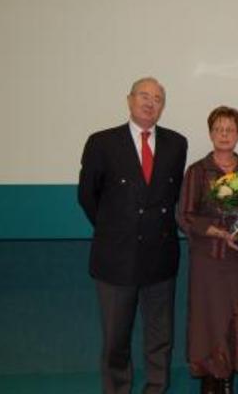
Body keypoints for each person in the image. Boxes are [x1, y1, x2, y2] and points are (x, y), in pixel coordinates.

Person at [78, 77, 188, 394]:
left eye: (157, 98)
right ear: (129, 100)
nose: (150, 102)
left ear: (162, 107)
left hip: (161, 257)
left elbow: (171, 194)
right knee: (116, 339)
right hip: (116, 258)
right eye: (144, 95)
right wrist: (114, 229)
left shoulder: (176, 143)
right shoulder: (101, 142)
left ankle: (156, 387)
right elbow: (87, 195)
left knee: (160, 336)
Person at [177, 106, 238, 394]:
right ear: (210, 133)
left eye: (230, 129)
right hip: (210, 262)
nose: (224, 134)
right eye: (219, 129)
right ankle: (210, 379)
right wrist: (219, 232)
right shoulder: (197, 171)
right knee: (210, 320)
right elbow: (185, 216)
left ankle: (228, 377)